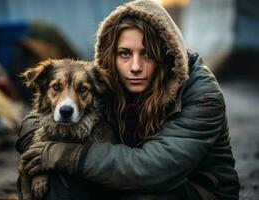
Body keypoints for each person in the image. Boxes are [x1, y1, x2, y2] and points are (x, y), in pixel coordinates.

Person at [17, 0, 240, 199]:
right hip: (122, 179)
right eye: (125, 53)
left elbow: (154, 170)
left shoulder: (202, 95)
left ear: (166, 53)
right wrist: (41, 150)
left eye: (147, 53)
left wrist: (64, 155)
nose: (135, 67)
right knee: (55, 185)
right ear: (111, 55)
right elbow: (37, 118)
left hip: (192, 188)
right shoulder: (108, 83)